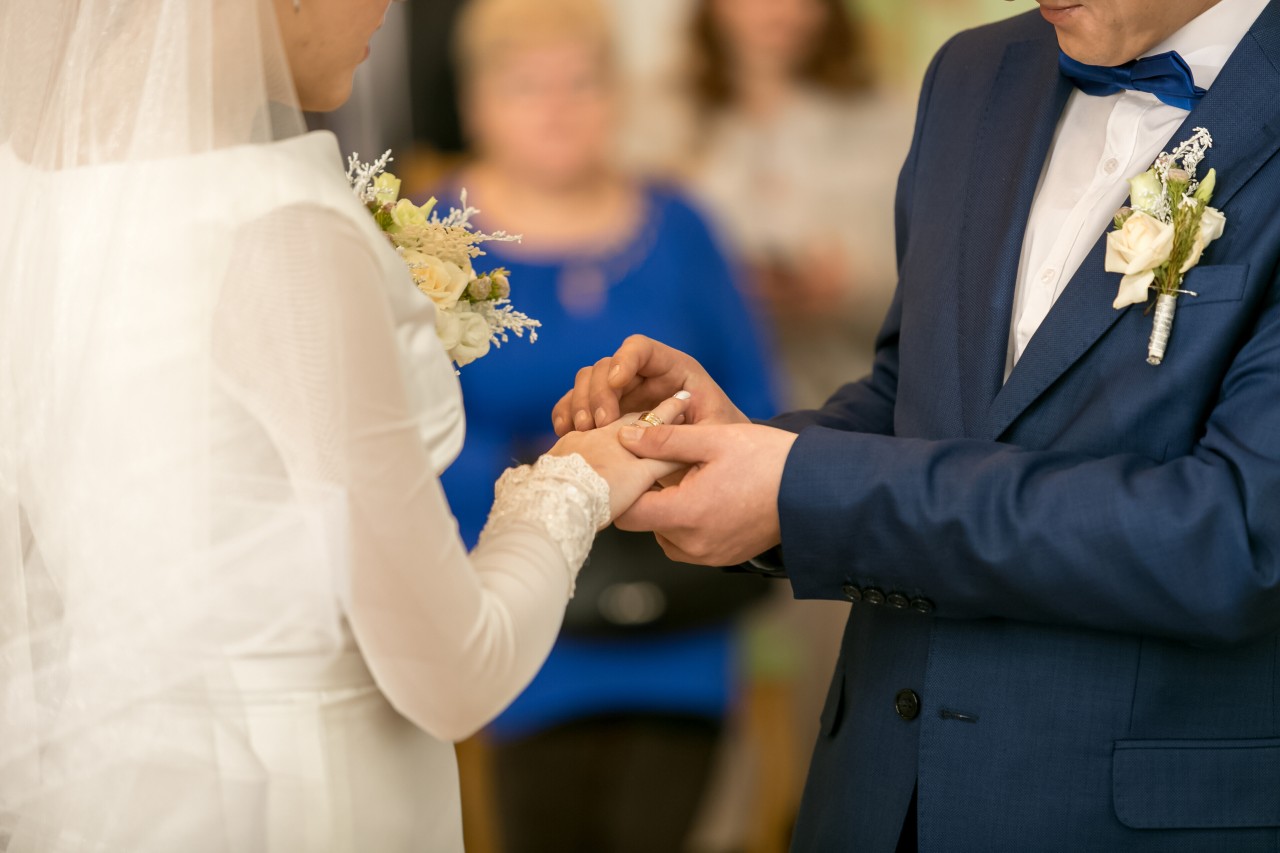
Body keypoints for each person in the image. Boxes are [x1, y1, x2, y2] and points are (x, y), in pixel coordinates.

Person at [555, 0, 1280, 849]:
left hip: (1120, 813)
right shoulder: (976, 72)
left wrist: (803, 489)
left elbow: (1230, 535)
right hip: (876, 793)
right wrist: (733, 447)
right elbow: (915, 395)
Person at [0, 0, 686, 850]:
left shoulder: (39, 202)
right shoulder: (282, 229)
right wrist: (578, 480)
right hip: (306, 798)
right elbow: (453, 671)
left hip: (121, 787)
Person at [432, 1, 777, 849]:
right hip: (523, 609)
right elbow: (404, 436)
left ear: (617, 95)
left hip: (683, 620)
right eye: (526, 86)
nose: (557, 106)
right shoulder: (436, 237)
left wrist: (651, 459)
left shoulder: (684, 225)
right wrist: (565, 478)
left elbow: (758, 402)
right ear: (476, 101)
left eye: (580, 82)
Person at [679, 0, 909, 409]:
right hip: (704, 390)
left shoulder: (889, 120)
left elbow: (933, 276)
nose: (777, 12)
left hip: (850, 389)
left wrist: (848, 283)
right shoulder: (658, 121)